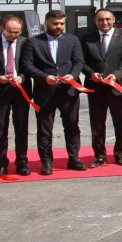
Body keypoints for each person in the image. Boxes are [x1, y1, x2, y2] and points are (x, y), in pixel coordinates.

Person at [20, 10, 86, 175]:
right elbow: (27, 65)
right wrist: (44, 77)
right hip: (45, 92)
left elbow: (79, 61)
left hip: (69, 91)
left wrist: (74, 74)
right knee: (44, 129)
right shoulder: (33, 42)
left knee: (72, 126)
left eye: (62, 23)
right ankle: (46, 162)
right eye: (55, 24)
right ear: (46, 23)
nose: (59, 26)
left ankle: (74, 158)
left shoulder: (72, 40)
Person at [80, 8, 122, 168]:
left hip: (118, 87)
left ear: (113, 19)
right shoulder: (86, 38)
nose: (104, 22)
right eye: (101, 20)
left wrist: (116, 75)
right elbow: (81, 61)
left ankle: (120, 154)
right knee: (97, 124)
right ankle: (99, 156)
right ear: (95, 21)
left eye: (107, 19)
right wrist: (91, 74)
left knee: (120, 122)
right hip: (95, 87)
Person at [0, 16, 32, 175]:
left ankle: (21, 162)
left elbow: (28, 65)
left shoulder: (25, 42)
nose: (13, 35)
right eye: (10, 32)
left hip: (21, 90)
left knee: (21, 128)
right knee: (1, 129)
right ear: (2, 29)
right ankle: (1, 163)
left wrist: (22, 77)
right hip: (1, 90)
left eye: (16, 32)